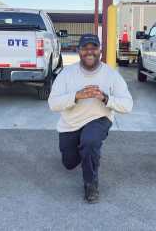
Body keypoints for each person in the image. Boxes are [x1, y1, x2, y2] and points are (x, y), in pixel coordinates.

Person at [48, 34, 133, 204]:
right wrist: (76, 96)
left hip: (99, 118)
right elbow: (53, 104)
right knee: (70, 163)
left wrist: (105, 98)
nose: (89, 52)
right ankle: (86, 152)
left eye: (93, 48)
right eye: (85, 48)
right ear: (78, 51)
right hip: (71, 123)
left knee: (90, 141)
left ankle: (91, 184)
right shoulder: (67, 74)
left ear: (99, 50)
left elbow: (128, 105)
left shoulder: (111, 74)